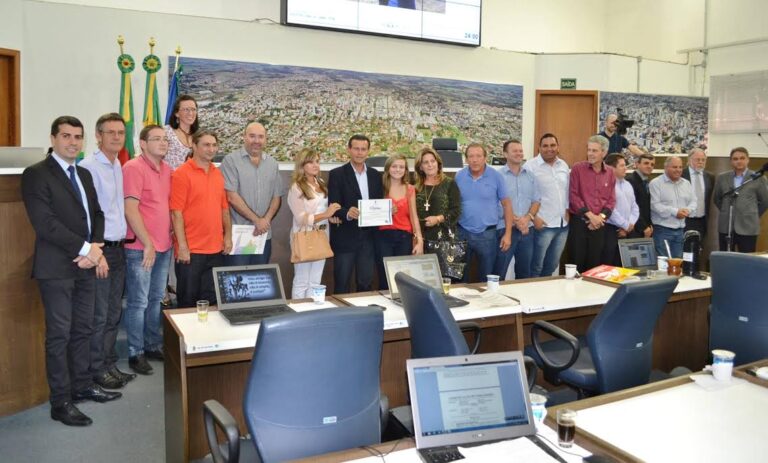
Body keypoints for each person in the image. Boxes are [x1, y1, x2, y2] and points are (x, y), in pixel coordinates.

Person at [21, 116, 120, 427]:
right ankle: (61, 401)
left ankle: (82, 385)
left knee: (83, 329)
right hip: (57, 269)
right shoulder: (36, 174)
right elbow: (45, 223)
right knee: (59, 335)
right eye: (66, 136)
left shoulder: (84, 174)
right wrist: (86, 249)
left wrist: (95, 249)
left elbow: (97, 214)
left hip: (86, 265)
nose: (73, 142)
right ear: (53, 139)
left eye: (78, 137)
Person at [79, 113, 134, 388]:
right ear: (98, 135)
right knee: (99, 315)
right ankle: (96, 370)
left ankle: (109, 363)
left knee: (113, 313)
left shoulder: (117, 165)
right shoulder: (88, 167)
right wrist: (95, 252)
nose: (116, 137)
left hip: (119, 249)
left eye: (120, 133)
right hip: (101, 251)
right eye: (110, 132)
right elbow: (86, 215)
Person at [122, 124, 173, 375]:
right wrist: (148, 244)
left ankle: (152, 344)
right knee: (138, 302)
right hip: (141, 248)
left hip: (164, 246)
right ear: (142, 143)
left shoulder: (167, 170)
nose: (163, 143)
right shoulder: (133, 168)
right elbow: (130, 210)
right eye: (156, 139)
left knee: (155, 300)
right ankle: (136, 352)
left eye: (165, 139)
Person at [171, 130, 233, 308]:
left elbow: (224, 209)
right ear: (194, 146)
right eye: (206, 145)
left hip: (216, 250)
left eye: (214, 145)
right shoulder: (181, 174)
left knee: (212, 303)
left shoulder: (217, 174)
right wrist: (183, 247)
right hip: (191, 252)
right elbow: (176, 213)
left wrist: (228, 236)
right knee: (188, 303)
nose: (211, 149)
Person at [221, 122, 284, 265]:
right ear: (244, 137)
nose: (256, 141)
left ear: (266, 139)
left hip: (263, 235)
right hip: (238, 235)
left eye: (261, 137)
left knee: (259, 276)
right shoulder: (231, 161)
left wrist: (265, 221)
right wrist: (257, 221)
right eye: (252, 136)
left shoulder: (272, 163)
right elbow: (231, 197)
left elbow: (276, 197)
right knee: (237, 277)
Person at [328, 134, 384, 294]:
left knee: (365, 283)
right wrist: (347, 213)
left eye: (363, 149)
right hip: (345, 236)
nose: (360, 153)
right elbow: (333, 204)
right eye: (356, 149)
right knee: (342, 283)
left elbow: (378, 203)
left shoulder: (375, 175)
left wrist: (386, 211)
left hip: (368, 238)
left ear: (368, 151)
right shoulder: (337, 174)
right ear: (349, 150)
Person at [455, 143, 513, 283]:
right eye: (471, 156)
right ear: (466, 159)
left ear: (485, 158)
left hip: (487, 235)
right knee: (460, 276)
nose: (475, 160)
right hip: (462, 233)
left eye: (478, 156)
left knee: (486, 277)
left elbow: (507, 205)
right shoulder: (459, 176)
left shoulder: (496, 176)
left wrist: (508, 234)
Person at [287, 149, 341, 298]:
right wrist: (326, 214)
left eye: (317, 161)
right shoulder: (296, 187)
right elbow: (301, 218)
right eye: (310, 162)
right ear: (302, 165)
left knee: (316, 280)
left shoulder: (320, 183)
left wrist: (330, 218)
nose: (315, 165)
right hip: (304, 236)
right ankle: (299, 311)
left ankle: (313, 309)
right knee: (302, 281)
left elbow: (322, 209)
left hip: (322, 235)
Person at [375, 153, 424, 289]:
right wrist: (384, 211)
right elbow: (371, 211)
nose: (398, 169)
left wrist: (420, 240)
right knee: (384, 276)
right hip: (383, 237)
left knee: (401, 277)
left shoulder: (410, 189)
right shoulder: (379, 187)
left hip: (404, 238)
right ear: (388, 168)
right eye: (394, 166)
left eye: (401, 167)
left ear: (406, 170)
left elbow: (414, 216)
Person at [493, 139, 540, 279]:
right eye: (515, 151)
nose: (519, 153)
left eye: (520, 151)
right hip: (505, 230)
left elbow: (536, 201)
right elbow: (496, 204)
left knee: (524, 274)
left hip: (527, 230)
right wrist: (516, 221)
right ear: (505, 154)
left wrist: (527, 218)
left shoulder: (530, 176)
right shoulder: (497, 176)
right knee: (499, 273)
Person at [524, 133, 570, 277]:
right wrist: (534, 217)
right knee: (536, 267)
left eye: (552, 145)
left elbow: (566, 190)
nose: (549, 149)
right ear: (539, 148)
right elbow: (524, 195)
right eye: (545, 146)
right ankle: (533, 292)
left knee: (552, 266)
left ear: (558, 147)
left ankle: (546, 291)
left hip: (562, 225)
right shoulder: (530, 166)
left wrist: (567, 209)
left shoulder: (563, 165)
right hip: (542, 225)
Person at [568, 135, 616, 273]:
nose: (590, 153)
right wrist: (591, 217)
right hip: (580, 223)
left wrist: (600, 218)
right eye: (589, 150)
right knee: (576, 266)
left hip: (599, 225)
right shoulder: (577, 169)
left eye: (594, 151)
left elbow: (611, 200)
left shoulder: (610, 172)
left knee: (594, 266)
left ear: (604, 153)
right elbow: (573, 196)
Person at [713, 147, 768, 253]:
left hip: (748, 226)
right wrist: (728, 211)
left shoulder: (758, 178)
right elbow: (717, 199)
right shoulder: (722, 178)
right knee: (726, 258)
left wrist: (752, 213)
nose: (739, 161)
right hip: (726, 226)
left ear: (748, 159)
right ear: (731, 161)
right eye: (735, 159)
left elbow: (765, 201)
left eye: (742, 158)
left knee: (747, 259)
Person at [649, 156, 696, 258]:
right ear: (666, 167)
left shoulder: (686, 183)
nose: (678, 170)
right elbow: (655, 205)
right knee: (663, 263)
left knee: (678, 262)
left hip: (680, 231)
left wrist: (687, 211)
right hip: (662, 231)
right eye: (674, 167)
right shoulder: (655, 183)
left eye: (680, 167)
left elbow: (693, 201)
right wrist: (676, 212)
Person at [414, 146, 461, 242]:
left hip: (444, 238)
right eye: (425, 162)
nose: (430, 165)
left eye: (433, 161)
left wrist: (438, 219)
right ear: (420, 167)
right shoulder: (415, 187)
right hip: (421, 238)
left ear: (438, 163)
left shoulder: (449, 183)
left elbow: (456, 211)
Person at [601, 153, 639, 266]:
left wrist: (629, 224)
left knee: (626, 265)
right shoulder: (606, 185)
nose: (625, 168)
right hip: (611, 230)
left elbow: (634, 207)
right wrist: (624, 225)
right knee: (610, 264)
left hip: (628, 230)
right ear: (611, 168)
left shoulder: (628, 184)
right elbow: (610, 209)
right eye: (622, 166)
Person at [682, 148, 714, 239]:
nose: (701, 162)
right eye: (697, 159)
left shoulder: (710, 177)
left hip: (702, 221)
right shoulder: (681, 174)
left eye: (703, 160)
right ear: (689, 160)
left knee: (698, 245)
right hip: (684, 220)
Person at [164, 94, 198, 170]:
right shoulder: (166, 132)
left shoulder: (198, 136)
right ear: (176, 113)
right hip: (171, 177)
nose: (190, 113)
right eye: (186, 109)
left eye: (193, 109)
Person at [626, 152, 654, 238]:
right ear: (637, 164)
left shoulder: (646, 181)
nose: (649, 166)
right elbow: (631, 207)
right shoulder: (630, 180)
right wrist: (643, 227)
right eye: (646, 163)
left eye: (652, 164)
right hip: (635, 229)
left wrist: (649, 225)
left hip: (646, 228)